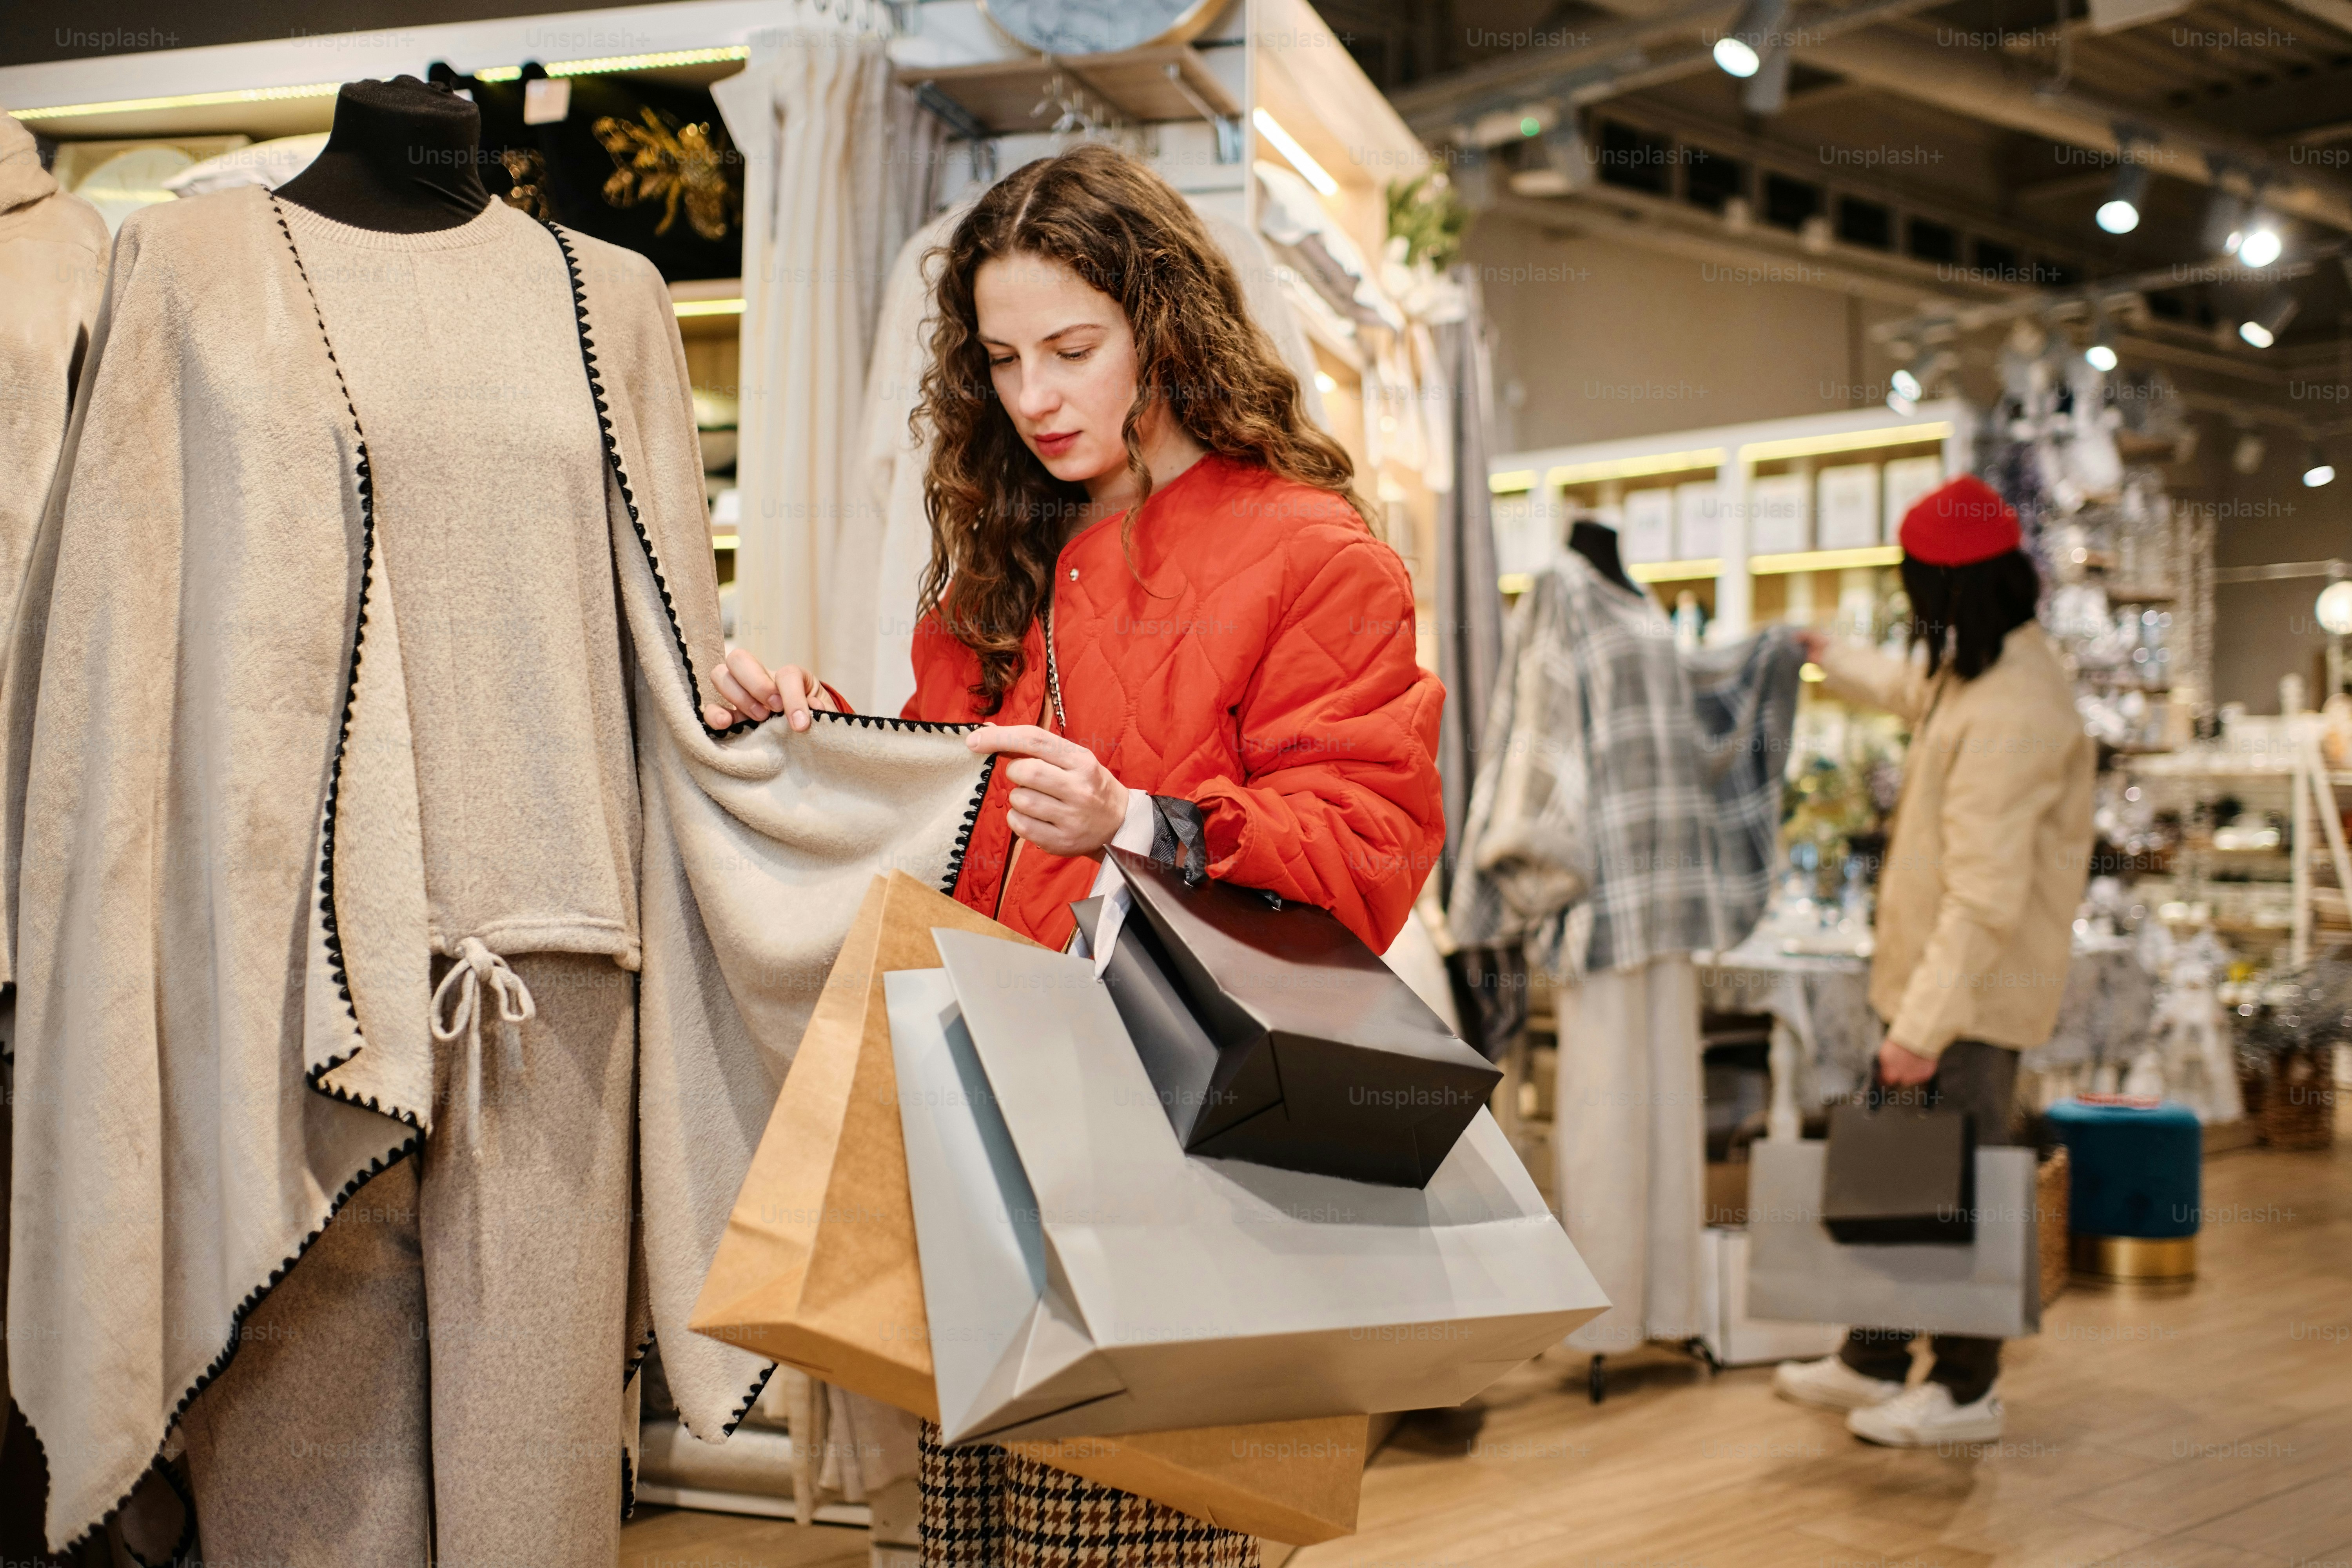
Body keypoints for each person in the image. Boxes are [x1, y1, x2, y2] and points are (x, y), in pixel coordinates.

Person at [708, 144, 1444, 1563]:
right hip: (986, 1128)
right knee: (978, 1538)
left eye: (1072, 348)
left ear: (1164, 326)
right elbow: (946, 810)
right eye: (1000, 359)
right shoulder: (1000, 553)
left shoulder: (1309, 554)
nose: (1035, 397)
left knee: (1135, 1530)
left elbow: (1370, 848)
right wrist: (816, 737)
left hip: (1181, 1136)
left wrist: (1144, 821)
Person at [1773, 475, 2094, 1447]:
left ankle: (1965, 1386)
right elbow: (1912, 688)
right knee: (1908, 1177)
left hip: (1972, 999)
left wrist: (1920, 1028)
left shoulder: (2013, 709)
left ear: (1952, 593)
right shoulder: (1981, 671)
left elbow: (1987, 898)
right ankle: (1871, 1355)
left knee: (1968, 1187)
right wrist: (1829, 655)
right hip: (1938, 985)